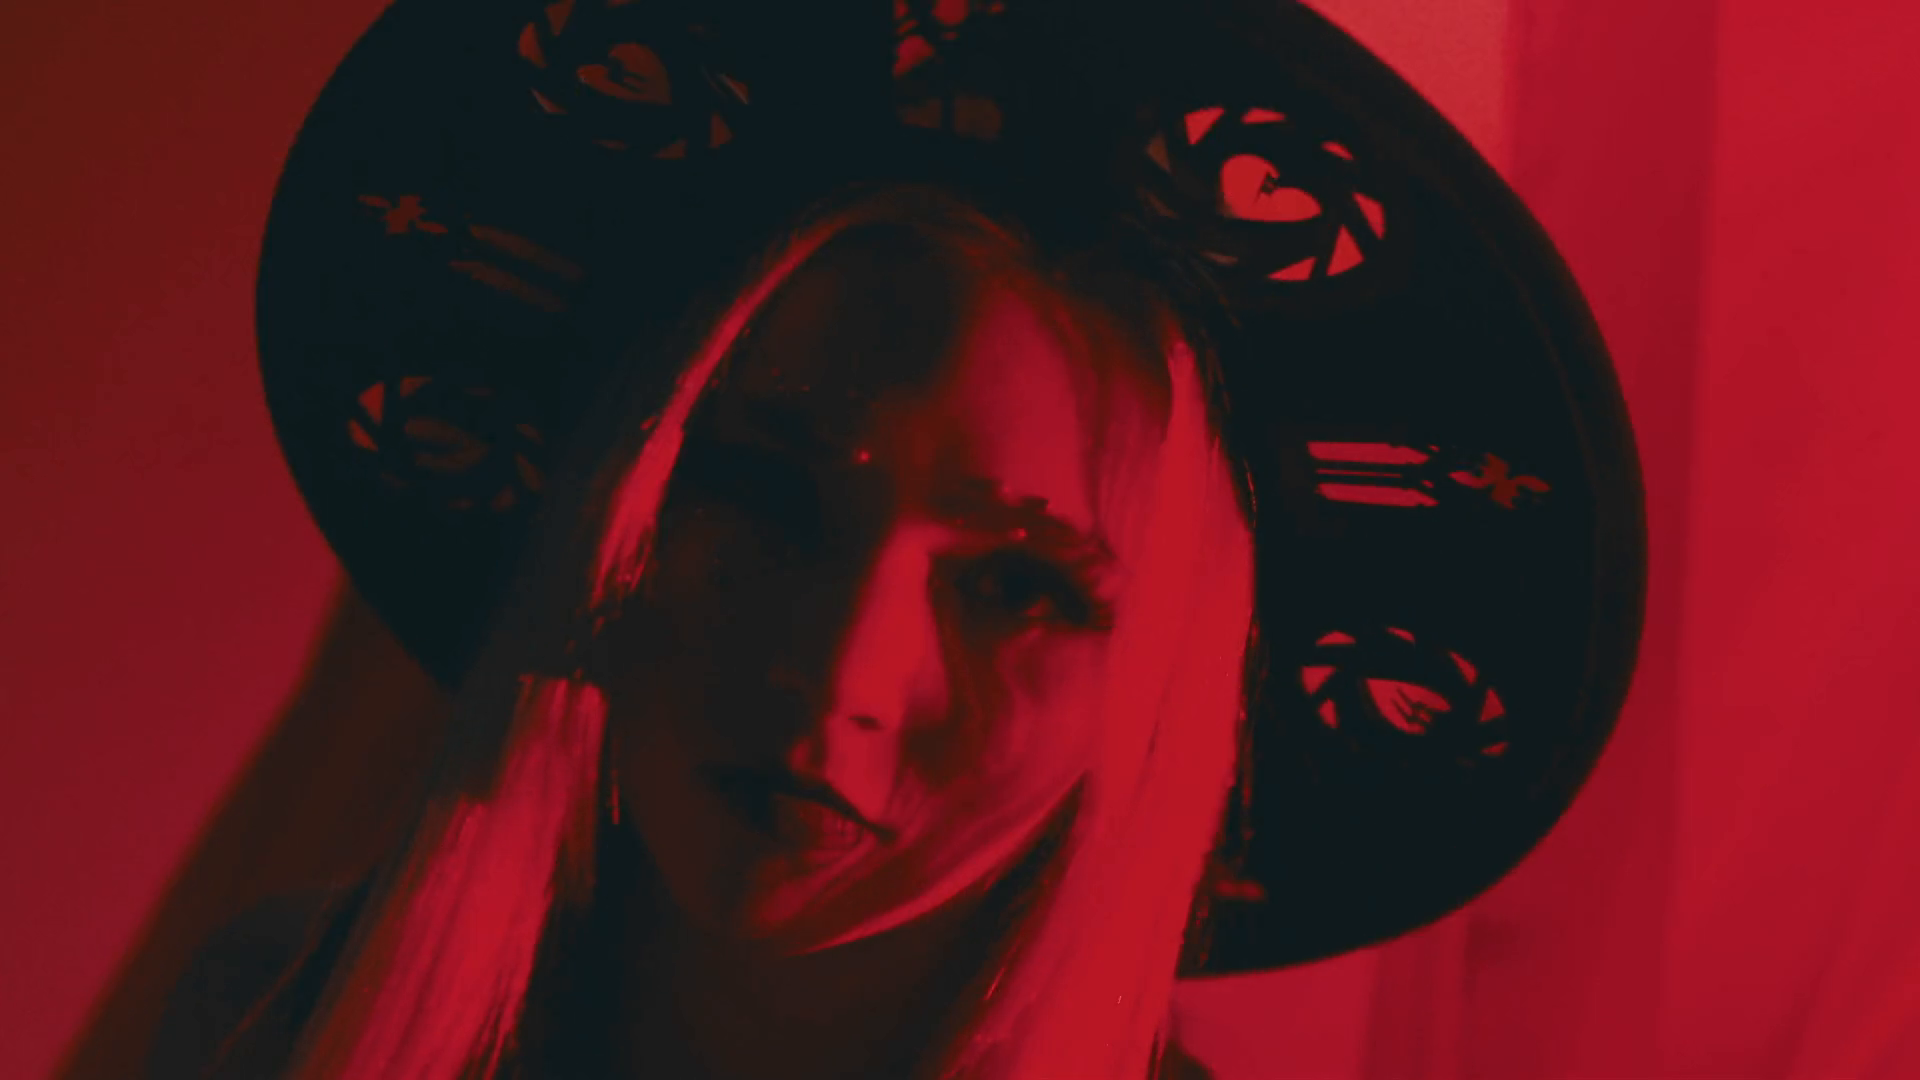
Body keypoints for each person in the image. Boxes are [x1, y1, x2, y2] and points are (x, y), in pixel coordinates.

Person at [139, 0, 1649, 1077]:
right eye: (763, 493)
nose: (836, 671)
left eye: (1019, 584)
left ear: (1169, 688)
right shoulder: (268, 1026)